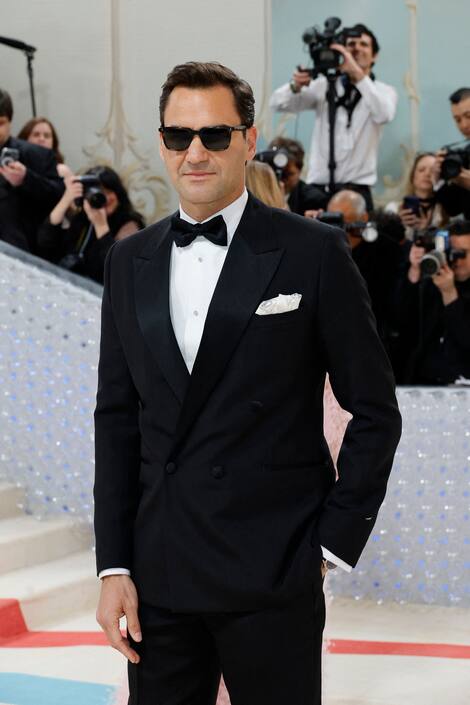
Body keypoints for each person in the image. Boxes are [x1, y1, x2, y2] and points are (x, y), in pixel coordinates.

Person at [94, 61, 401, 705]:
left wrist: (330, 544)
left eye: (214, 135)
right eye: (178, 136)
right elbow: (118, 421)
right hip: (160, 573)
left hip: (274, 570)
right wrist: (114, 564)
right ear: (162, 143)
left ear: (249, 139)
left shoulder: (314, 252)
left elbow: (374, 409)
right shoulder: (128, 259)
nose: (195, 153)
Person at [270, 24, 397, 211]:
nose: (356, 49)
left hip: (356, 190)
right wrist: (295, 85)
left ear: (374, 55)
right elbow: (277, 103)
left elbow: (384, 114)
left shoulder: (383, 91)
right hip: (317, 188)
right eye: (351, 44)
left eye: (364, 44)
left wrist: (357, 74)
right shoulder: (325, 85)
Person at [326, 190, 403, 353]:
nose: (341, 229)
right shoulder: (322, 245)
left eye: (347, 221)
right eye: (334, 220)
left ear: (364, 218)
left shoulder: (387, 250)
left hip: (373, 334)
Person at [37, 166, 144, 283]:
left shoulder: (130, 224)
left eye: (108, 192)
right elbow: (45, 244)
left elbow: (119, 269)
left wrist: (101, 226)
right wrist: (66, 199)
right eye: (98, 192)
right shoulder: (83, 216)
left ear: (118, 193)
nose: (105, 198)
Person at [396, 219, 470, 385]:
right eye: (452, 252)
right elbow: (399, 321)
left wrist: (449, 294)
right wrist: (414, 271)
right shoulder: (431, 280)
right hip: (423, 380)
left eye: (462, 253)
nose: (456, 260)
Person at [0, 88, 64, 252]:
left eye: (0, 123)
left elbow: (59, 195)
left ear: (10, 121)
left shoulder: (39, 155)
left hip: (25, 252)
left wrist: (26, 178)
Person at [386, 152, 447, 239]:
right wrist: (397, 224)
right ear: (412, 176)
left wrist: (426, 231)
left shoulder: (443, 211)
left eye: (433, 171)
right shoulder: (393, 209)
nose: (427, 174)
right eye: (421, 170)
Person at [434, 88, 470, 220]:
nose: (464, 125)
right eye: (458, 120)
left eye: (468, 116)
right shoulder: (464, 155)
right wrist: (438, 179)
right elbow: (453, 209)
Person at [268, 136, 328, 214]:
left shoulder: (314, 200)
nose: (282, 181)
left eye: (288, 174)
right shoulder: (257, 192)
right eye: (276, 173)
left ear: (300, 171)